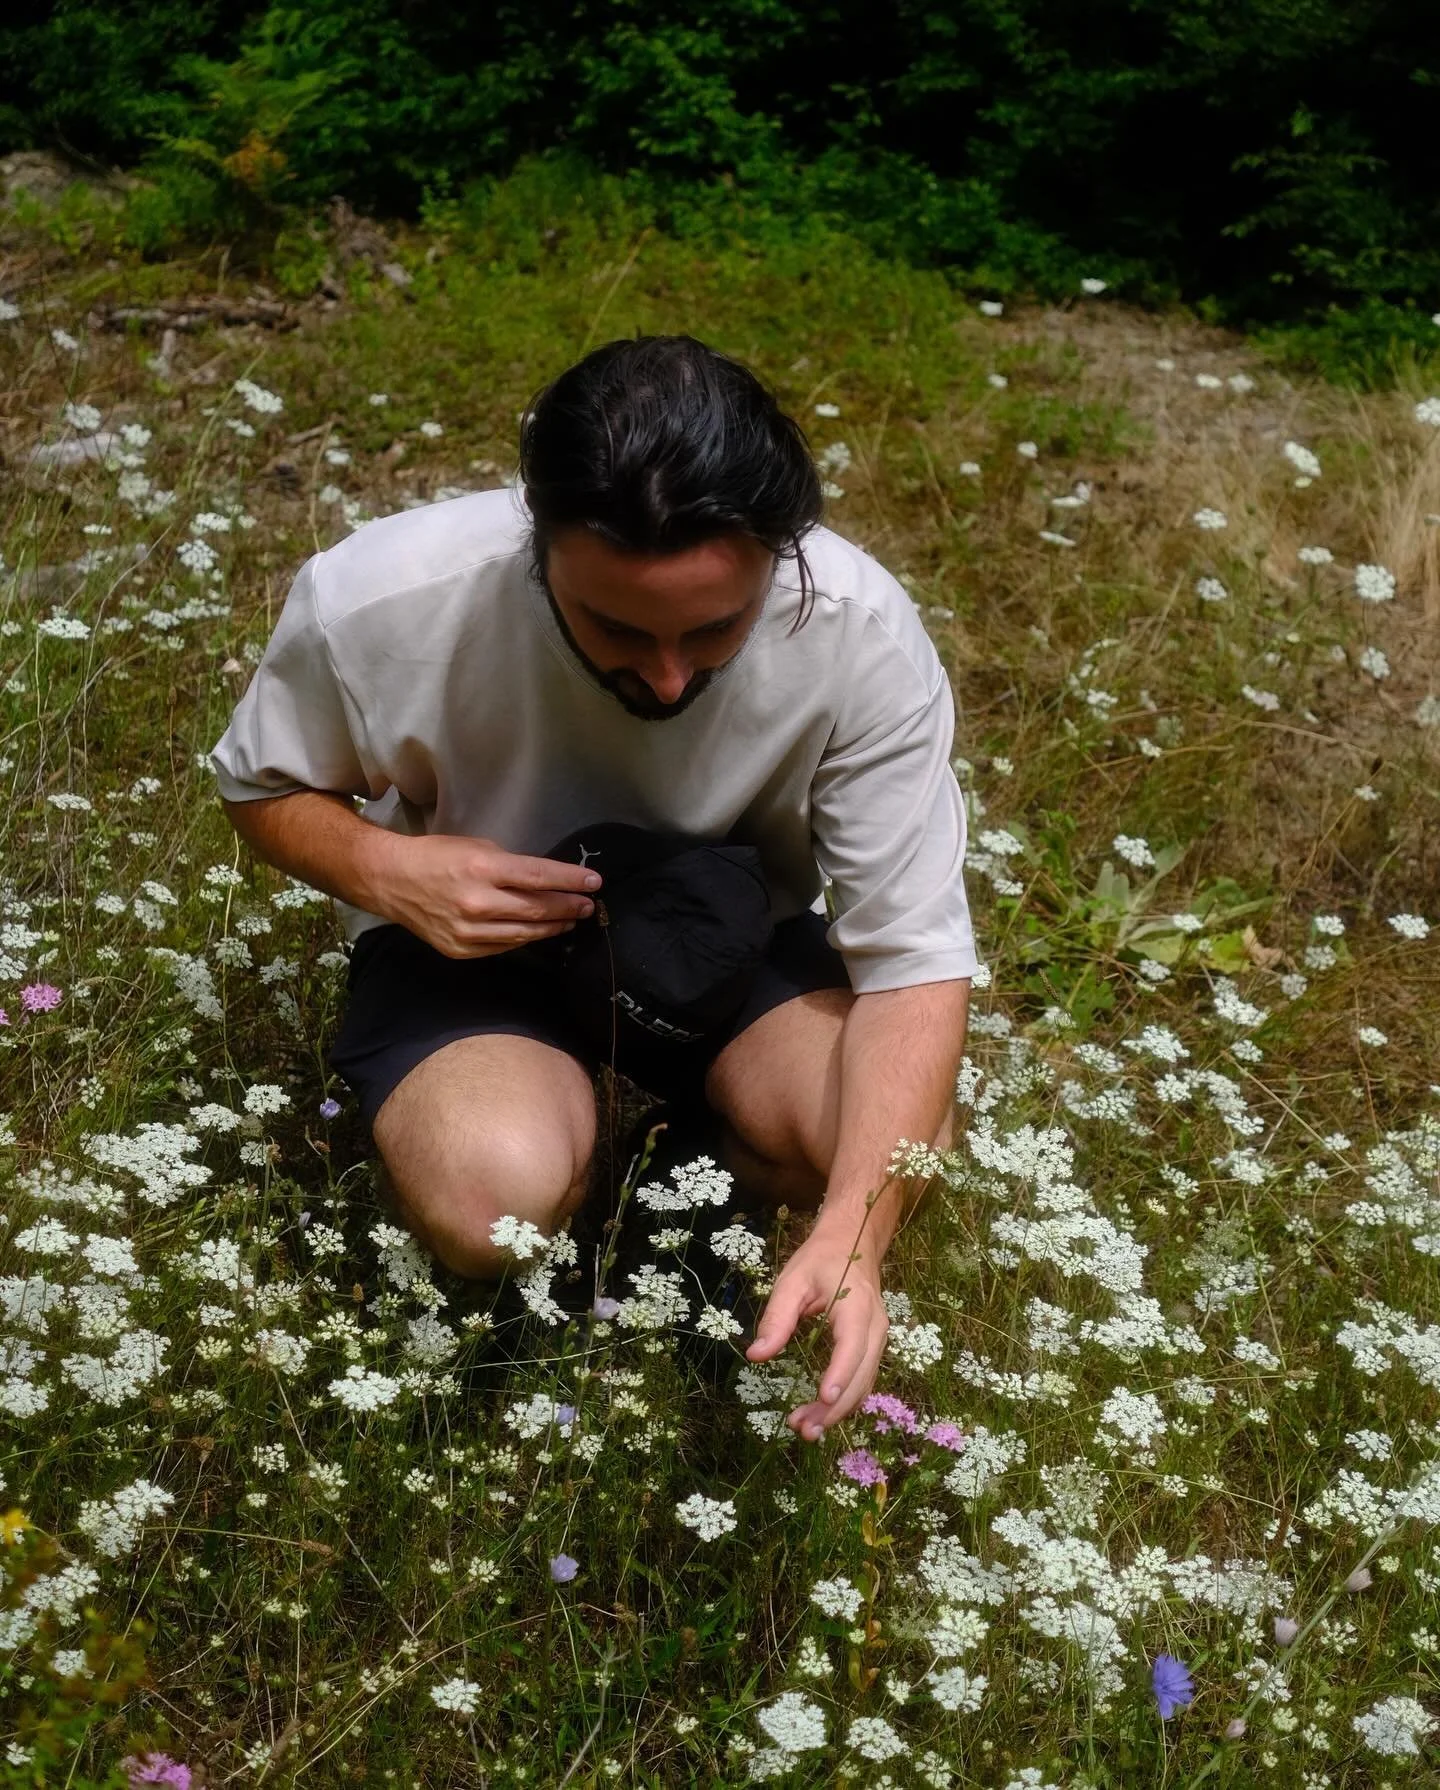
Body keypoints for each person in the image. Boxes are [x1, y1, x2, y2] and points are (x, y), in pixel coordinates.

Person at [209, 334, 976, 1444]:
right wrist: (390, 868)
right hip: (466, 951)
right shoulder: (382, 599)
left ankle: (687, 1183)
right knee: (493, 1206)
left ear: (780, 552)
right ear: (538, 543)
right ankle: (543, 1181)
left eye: (716, 628)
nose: (667, 678)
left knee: (898, 1141)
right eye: (616, 626)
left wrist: (854, 1235)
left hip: (728, 948)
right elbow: (258, 784)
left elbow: (912, 959)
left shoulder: (859, 632)